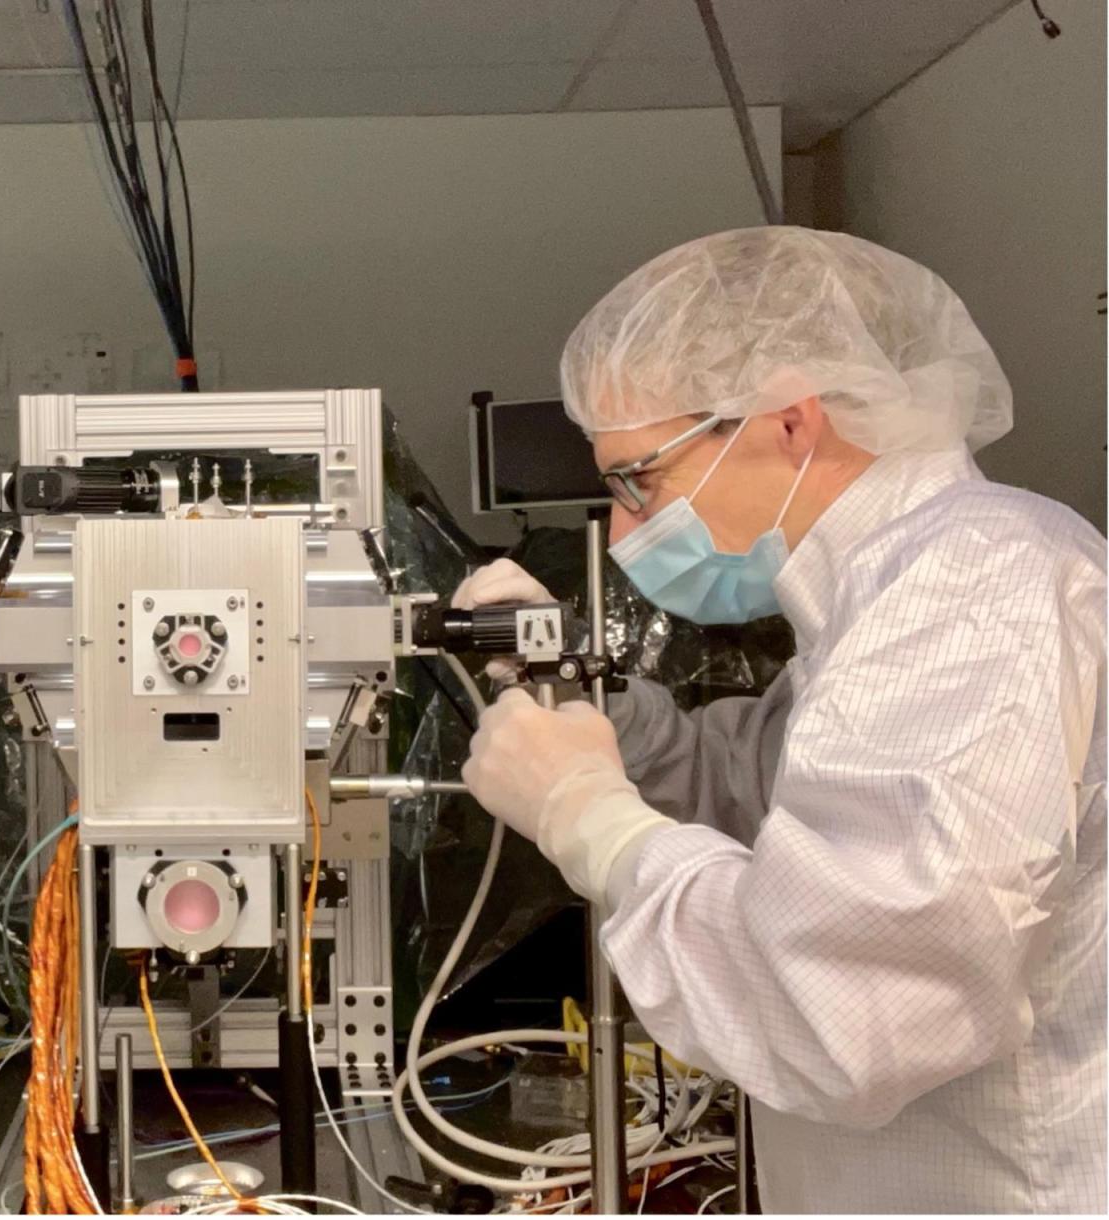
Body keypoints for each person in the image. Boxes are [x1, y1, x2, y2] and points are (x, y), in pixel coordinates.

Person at [455, 226, 1105, 1211]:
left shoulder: (972, 589)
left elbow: (843, 1013)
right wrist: (589, 714)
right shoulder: (884, 595)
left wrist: (589, 813)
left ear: (790, 424)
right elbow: (767, 789)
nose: (623, 531)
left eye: (637, 479)